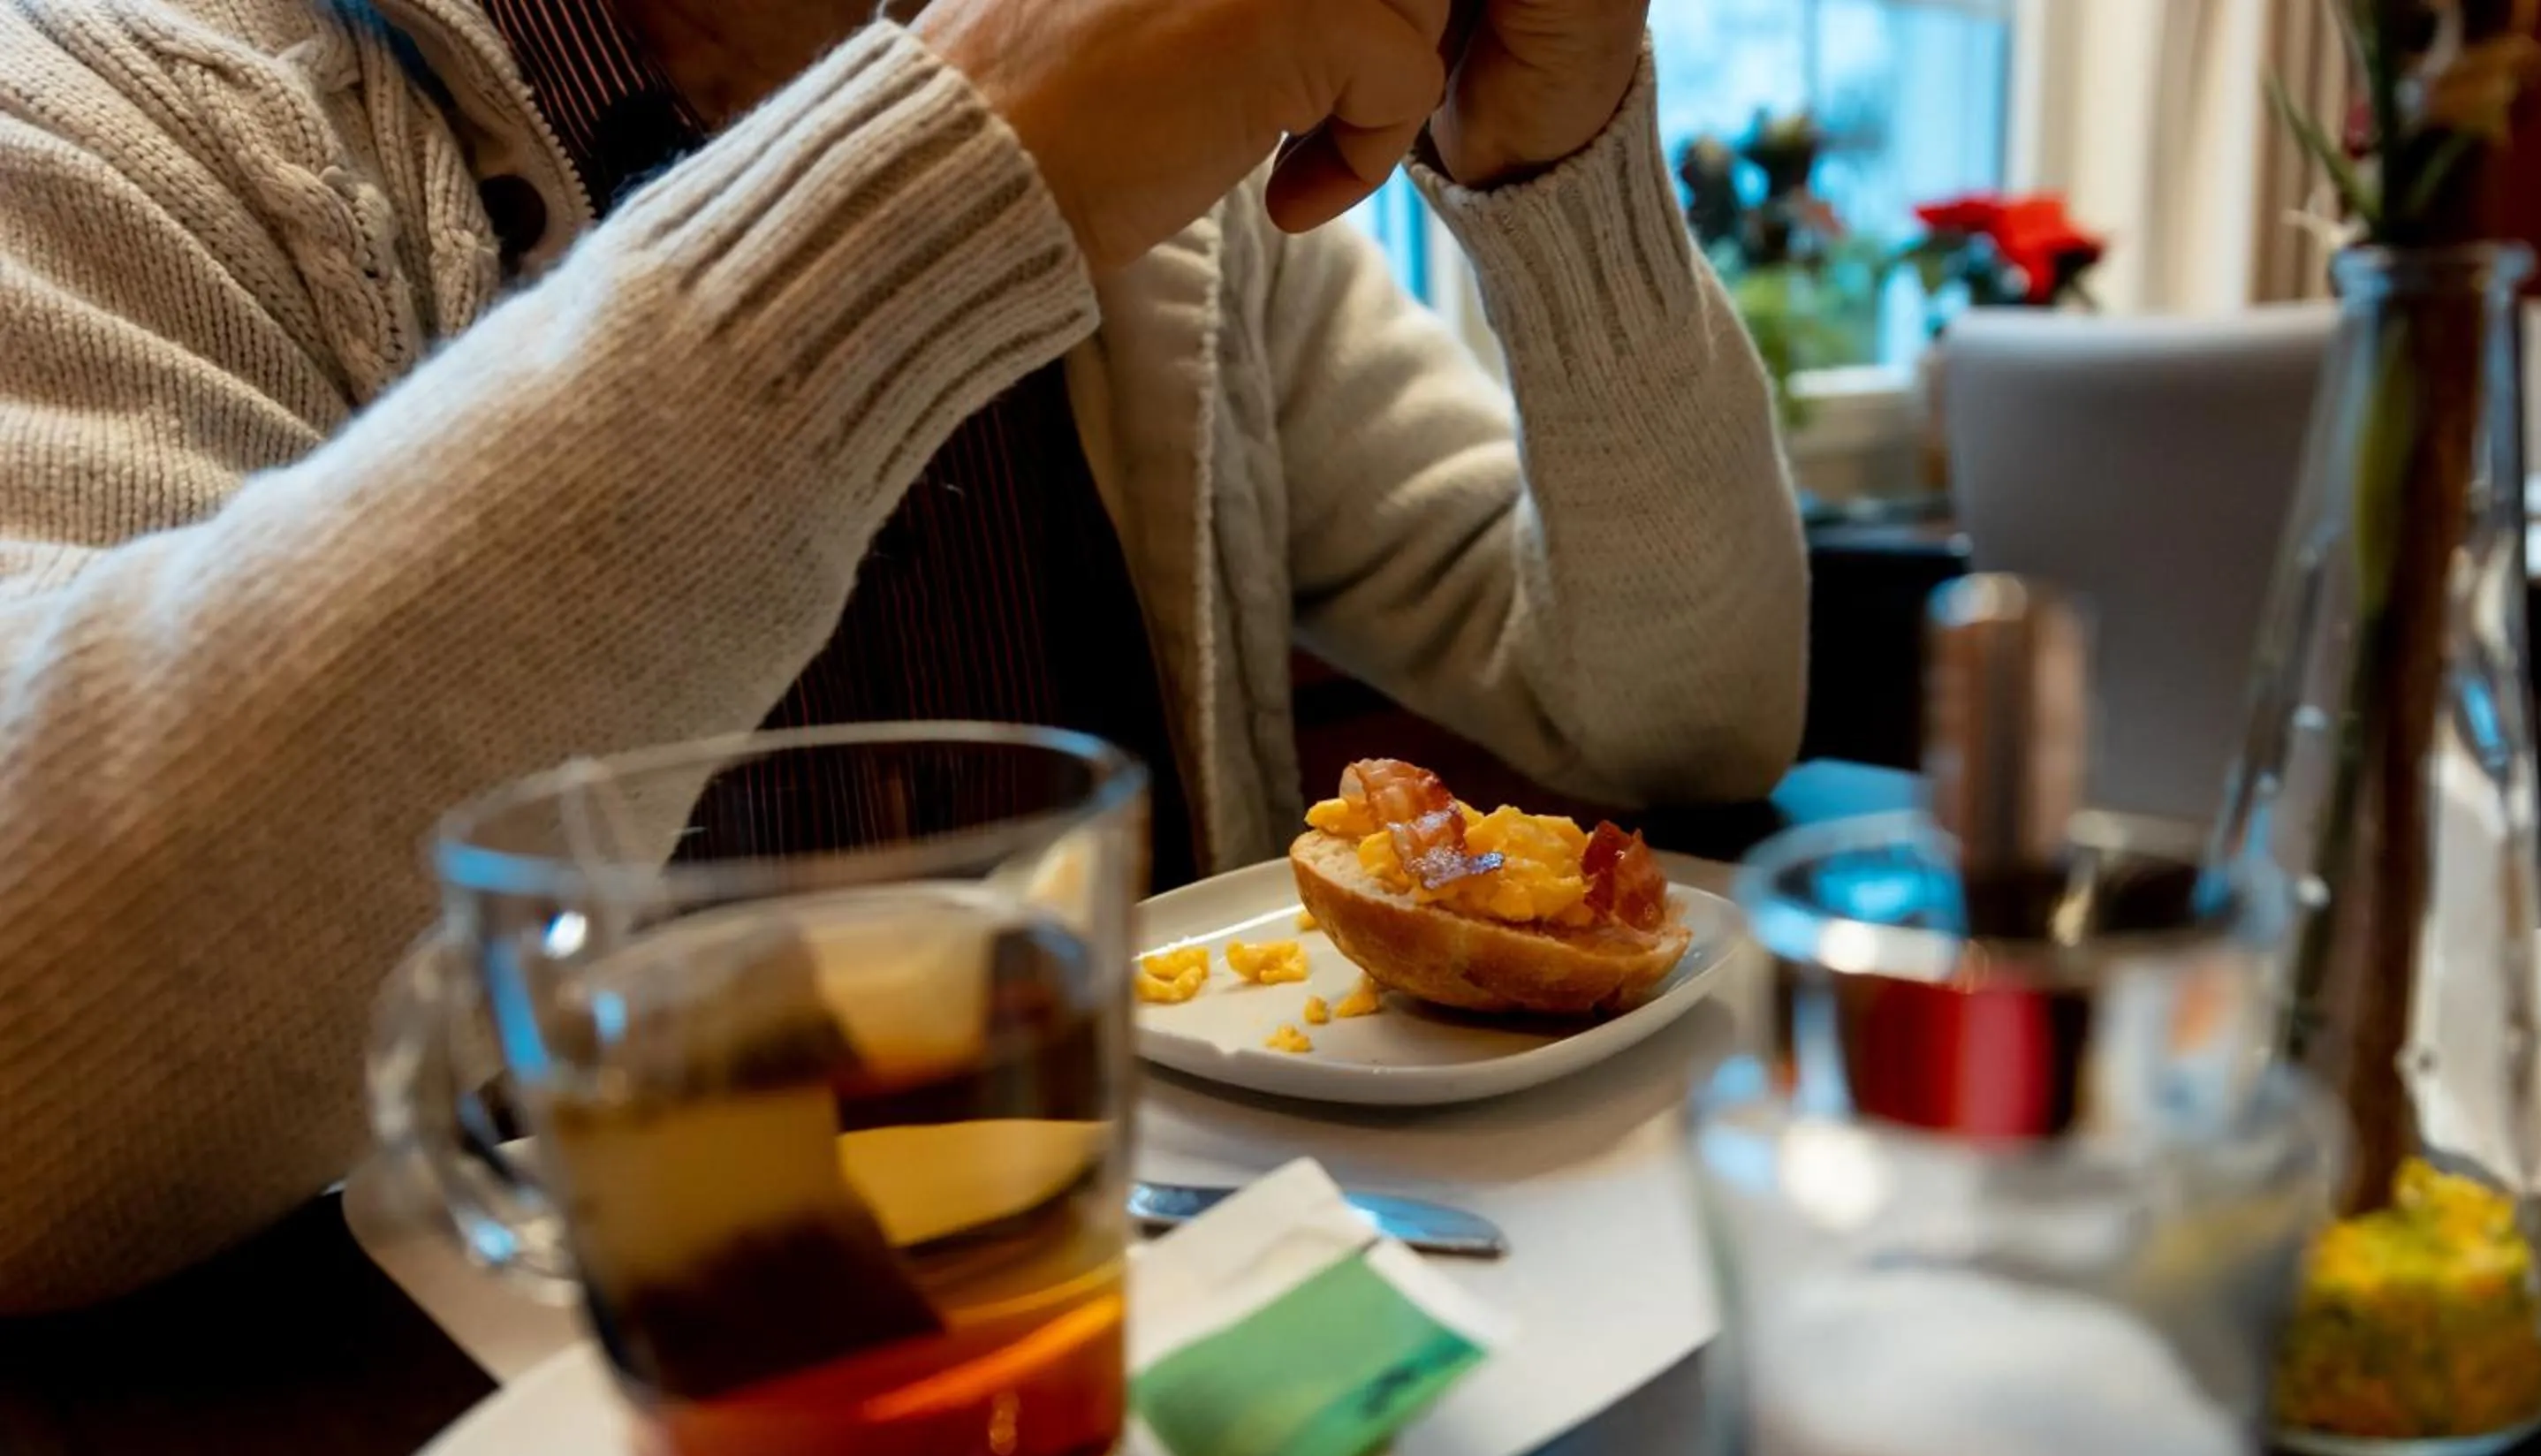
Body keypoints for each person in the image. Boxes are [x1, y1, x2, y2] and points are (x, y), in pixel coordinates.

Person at [0, 0, 1805, 1311]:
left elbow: (1684, 714)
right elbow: (45, 1083)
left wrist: (1557, 164)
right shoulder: (118, 107)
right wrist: (961, 170)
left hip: (1190, 1355)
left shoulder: (1198, 198)